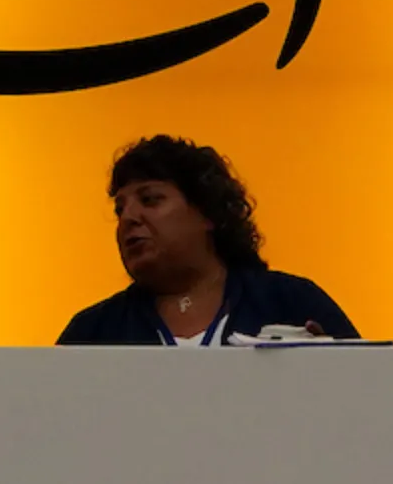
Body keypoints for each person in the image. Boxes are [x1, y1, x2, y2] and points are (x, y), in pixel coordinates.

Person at [56, 136, 358, 345]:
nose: (128, 218)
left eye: (150, 200)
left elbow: (375, 401)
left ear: (207, 213)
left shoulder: (292, 303)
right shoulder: (93, 332)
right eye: (119, 208)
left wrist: (326, 374)